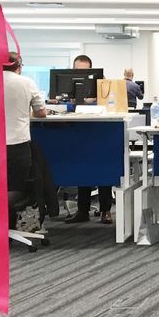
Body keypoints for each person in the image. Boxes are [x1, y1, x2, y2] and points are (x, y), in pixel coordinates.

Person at [0, 51, 47, 194]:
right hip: (17, 144)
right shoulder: (26, 82)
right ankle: (13, 207)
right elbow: (41, 112)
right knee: (17, 189)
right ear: (19, 66)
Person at [68, 53, 114, 224]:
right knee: (82, 173)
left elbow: (109, 104)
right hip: (80, 133)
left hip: (100, 132)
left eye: (84, 70)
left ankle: (106, 211)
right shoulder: (69, 84)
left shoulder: (102, 84)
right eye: (77, 70)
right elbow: (66, 105)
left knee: (103, 173)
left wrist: (92, 101)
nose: (80, 74)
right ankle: (82, 211)